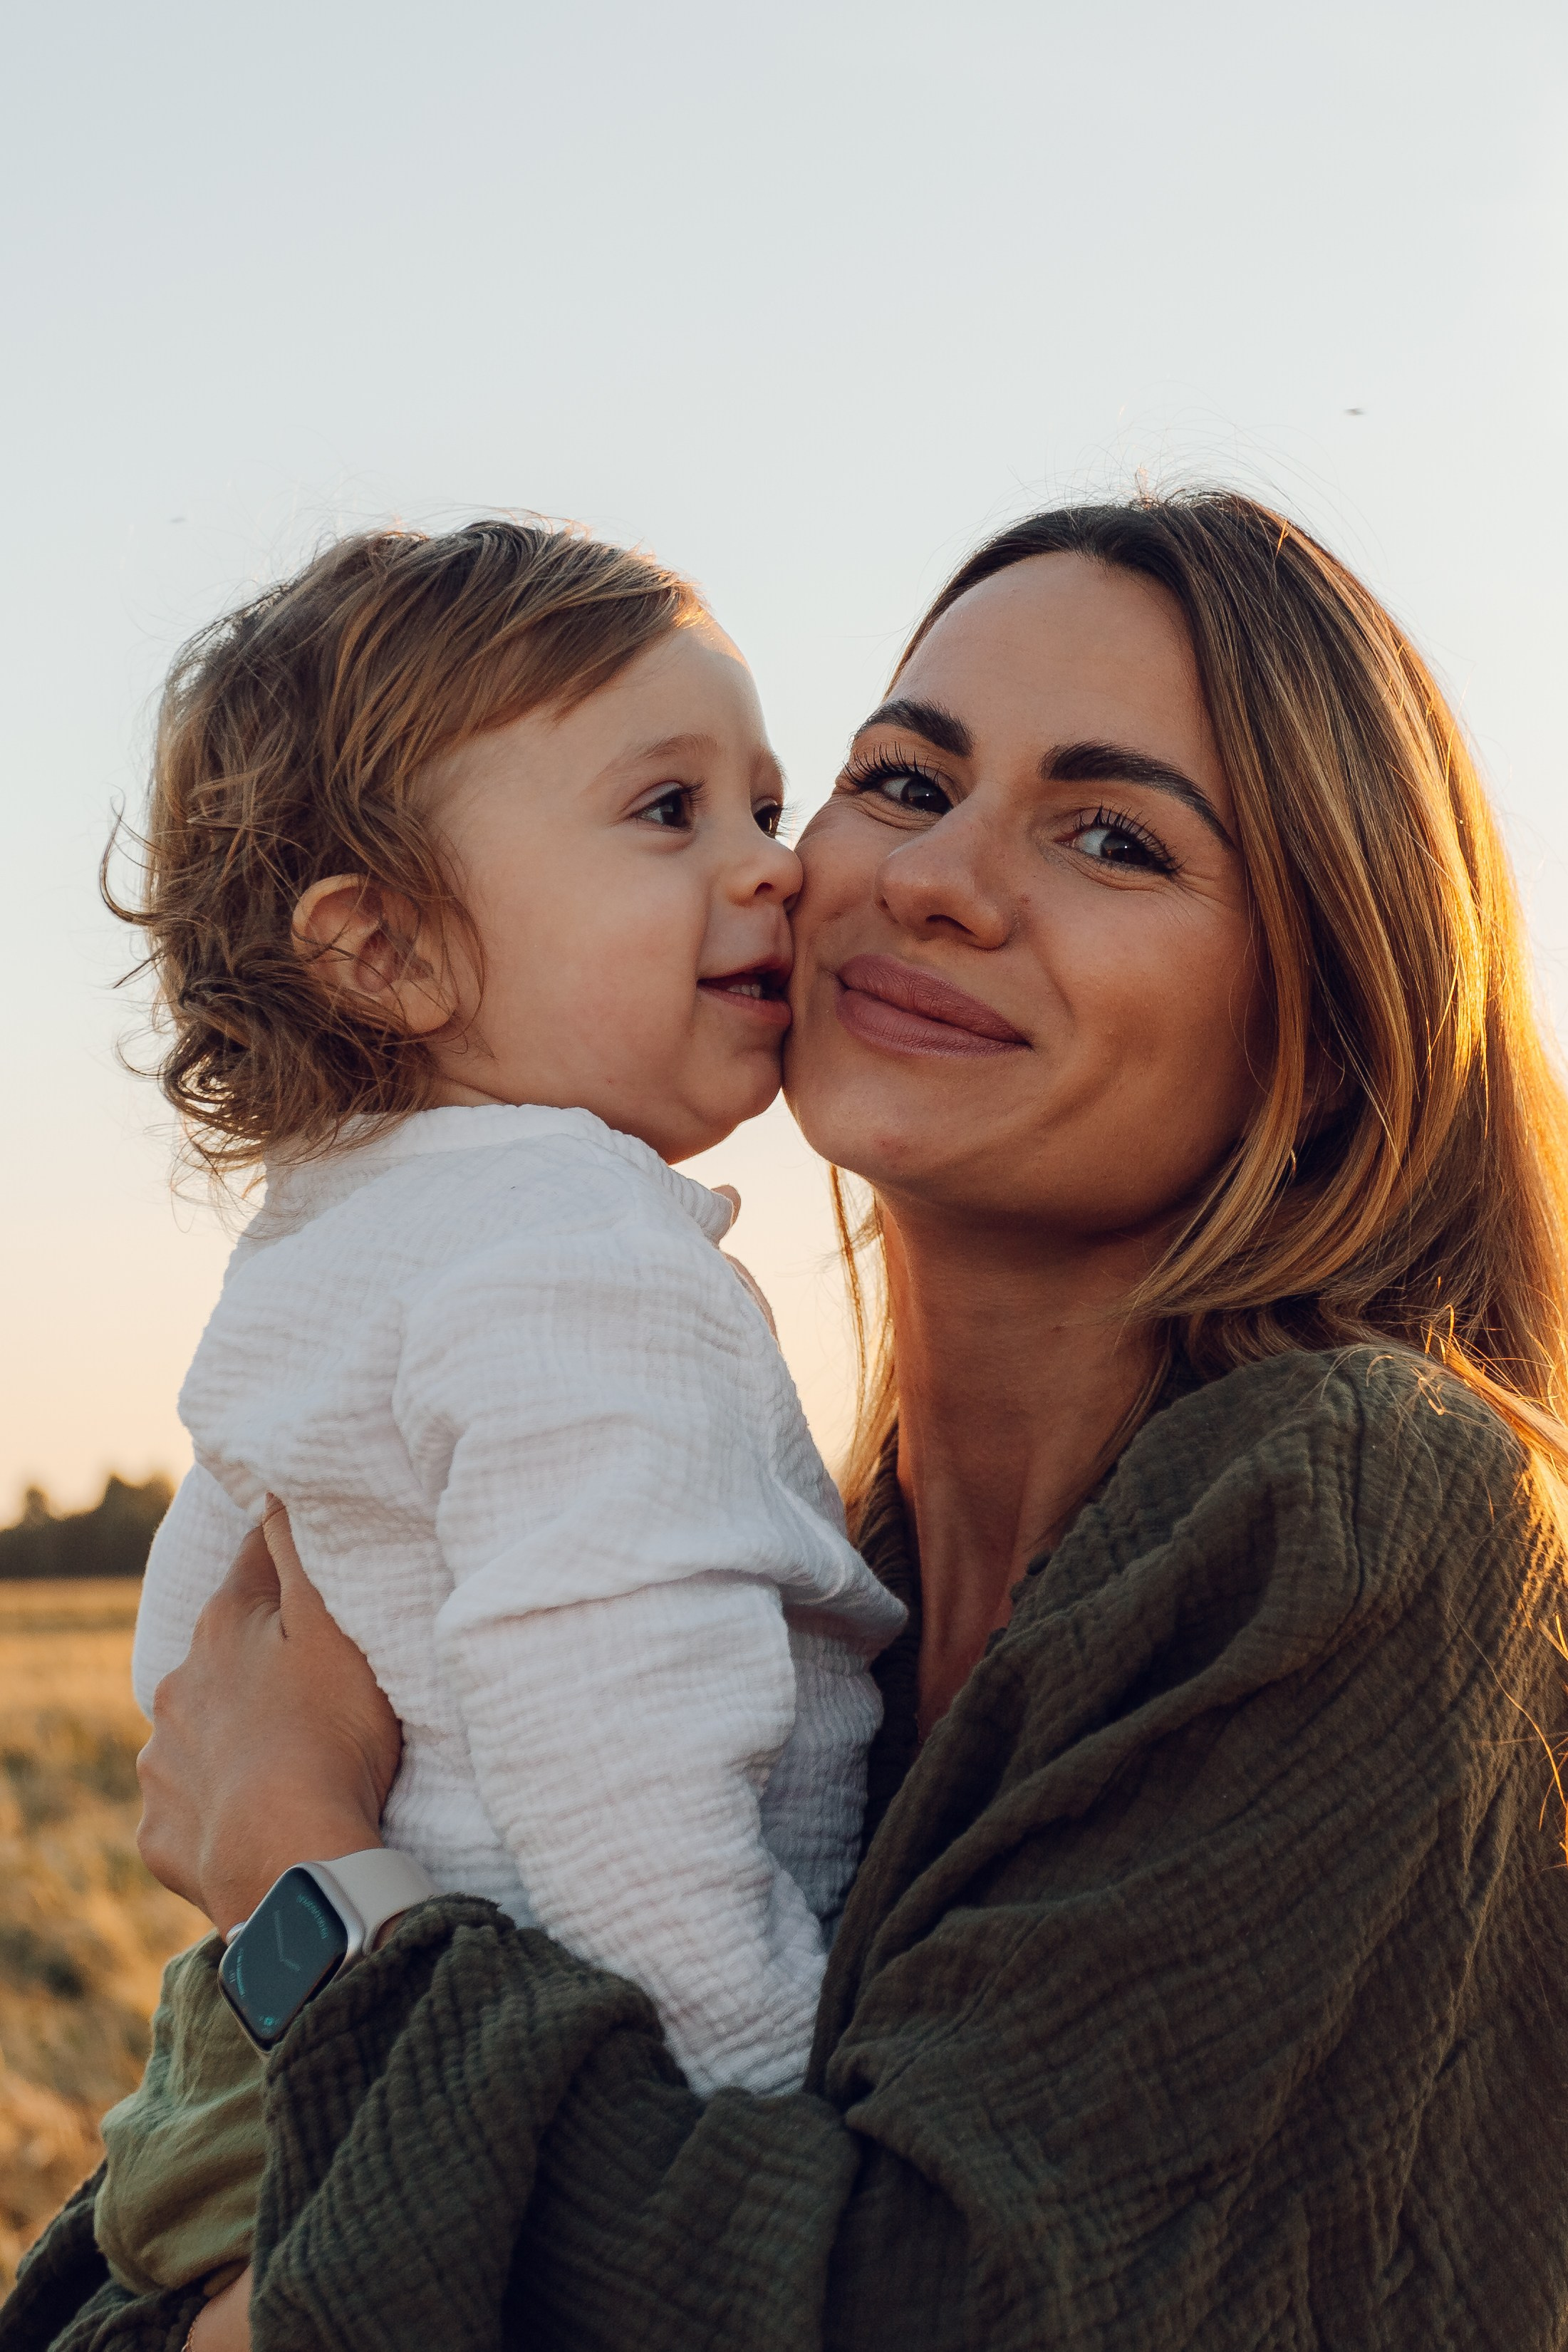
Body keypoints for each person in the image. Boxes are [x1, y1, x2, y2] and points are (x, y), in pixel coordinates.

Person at [9, 490, 1568, 2351]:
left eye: (1109, 834)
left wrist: (300, 1866)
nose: (927, 875)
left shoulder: (1371, 1499)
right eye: (902, 781)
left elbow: (904, 2309)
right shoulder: (829, 1552)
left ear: (1325, 1003)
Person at [76, 522, 905, 2308]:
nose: (773, 870)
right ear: (387, 952)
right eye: (666, 811)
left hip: (259, 2074)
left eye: (765, 805)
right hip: (504, 2141)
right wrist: (771, 2110)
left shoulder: (337, 1232)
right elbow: (622, 1793)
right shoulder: (579, 1258)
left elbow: (195, 1663)